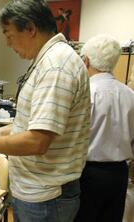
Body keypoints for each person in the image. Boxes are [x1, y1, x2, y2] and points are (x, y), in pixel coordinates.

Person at [0, 1, 90, 221]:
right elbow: (34, 124)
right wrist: (2, 132)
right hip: (38, 191)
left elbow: (37, 141)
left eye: (9, 35)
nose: (8, 44)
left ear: (30, 28)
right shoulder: (50, 60)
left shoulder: (55, 66)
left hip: (45, 196)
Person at [75, 34, 134, 222]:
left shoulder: (85, 94)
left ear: (86, 61)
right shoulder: (129, 95)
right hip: (119, 174)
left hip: (88, 173)